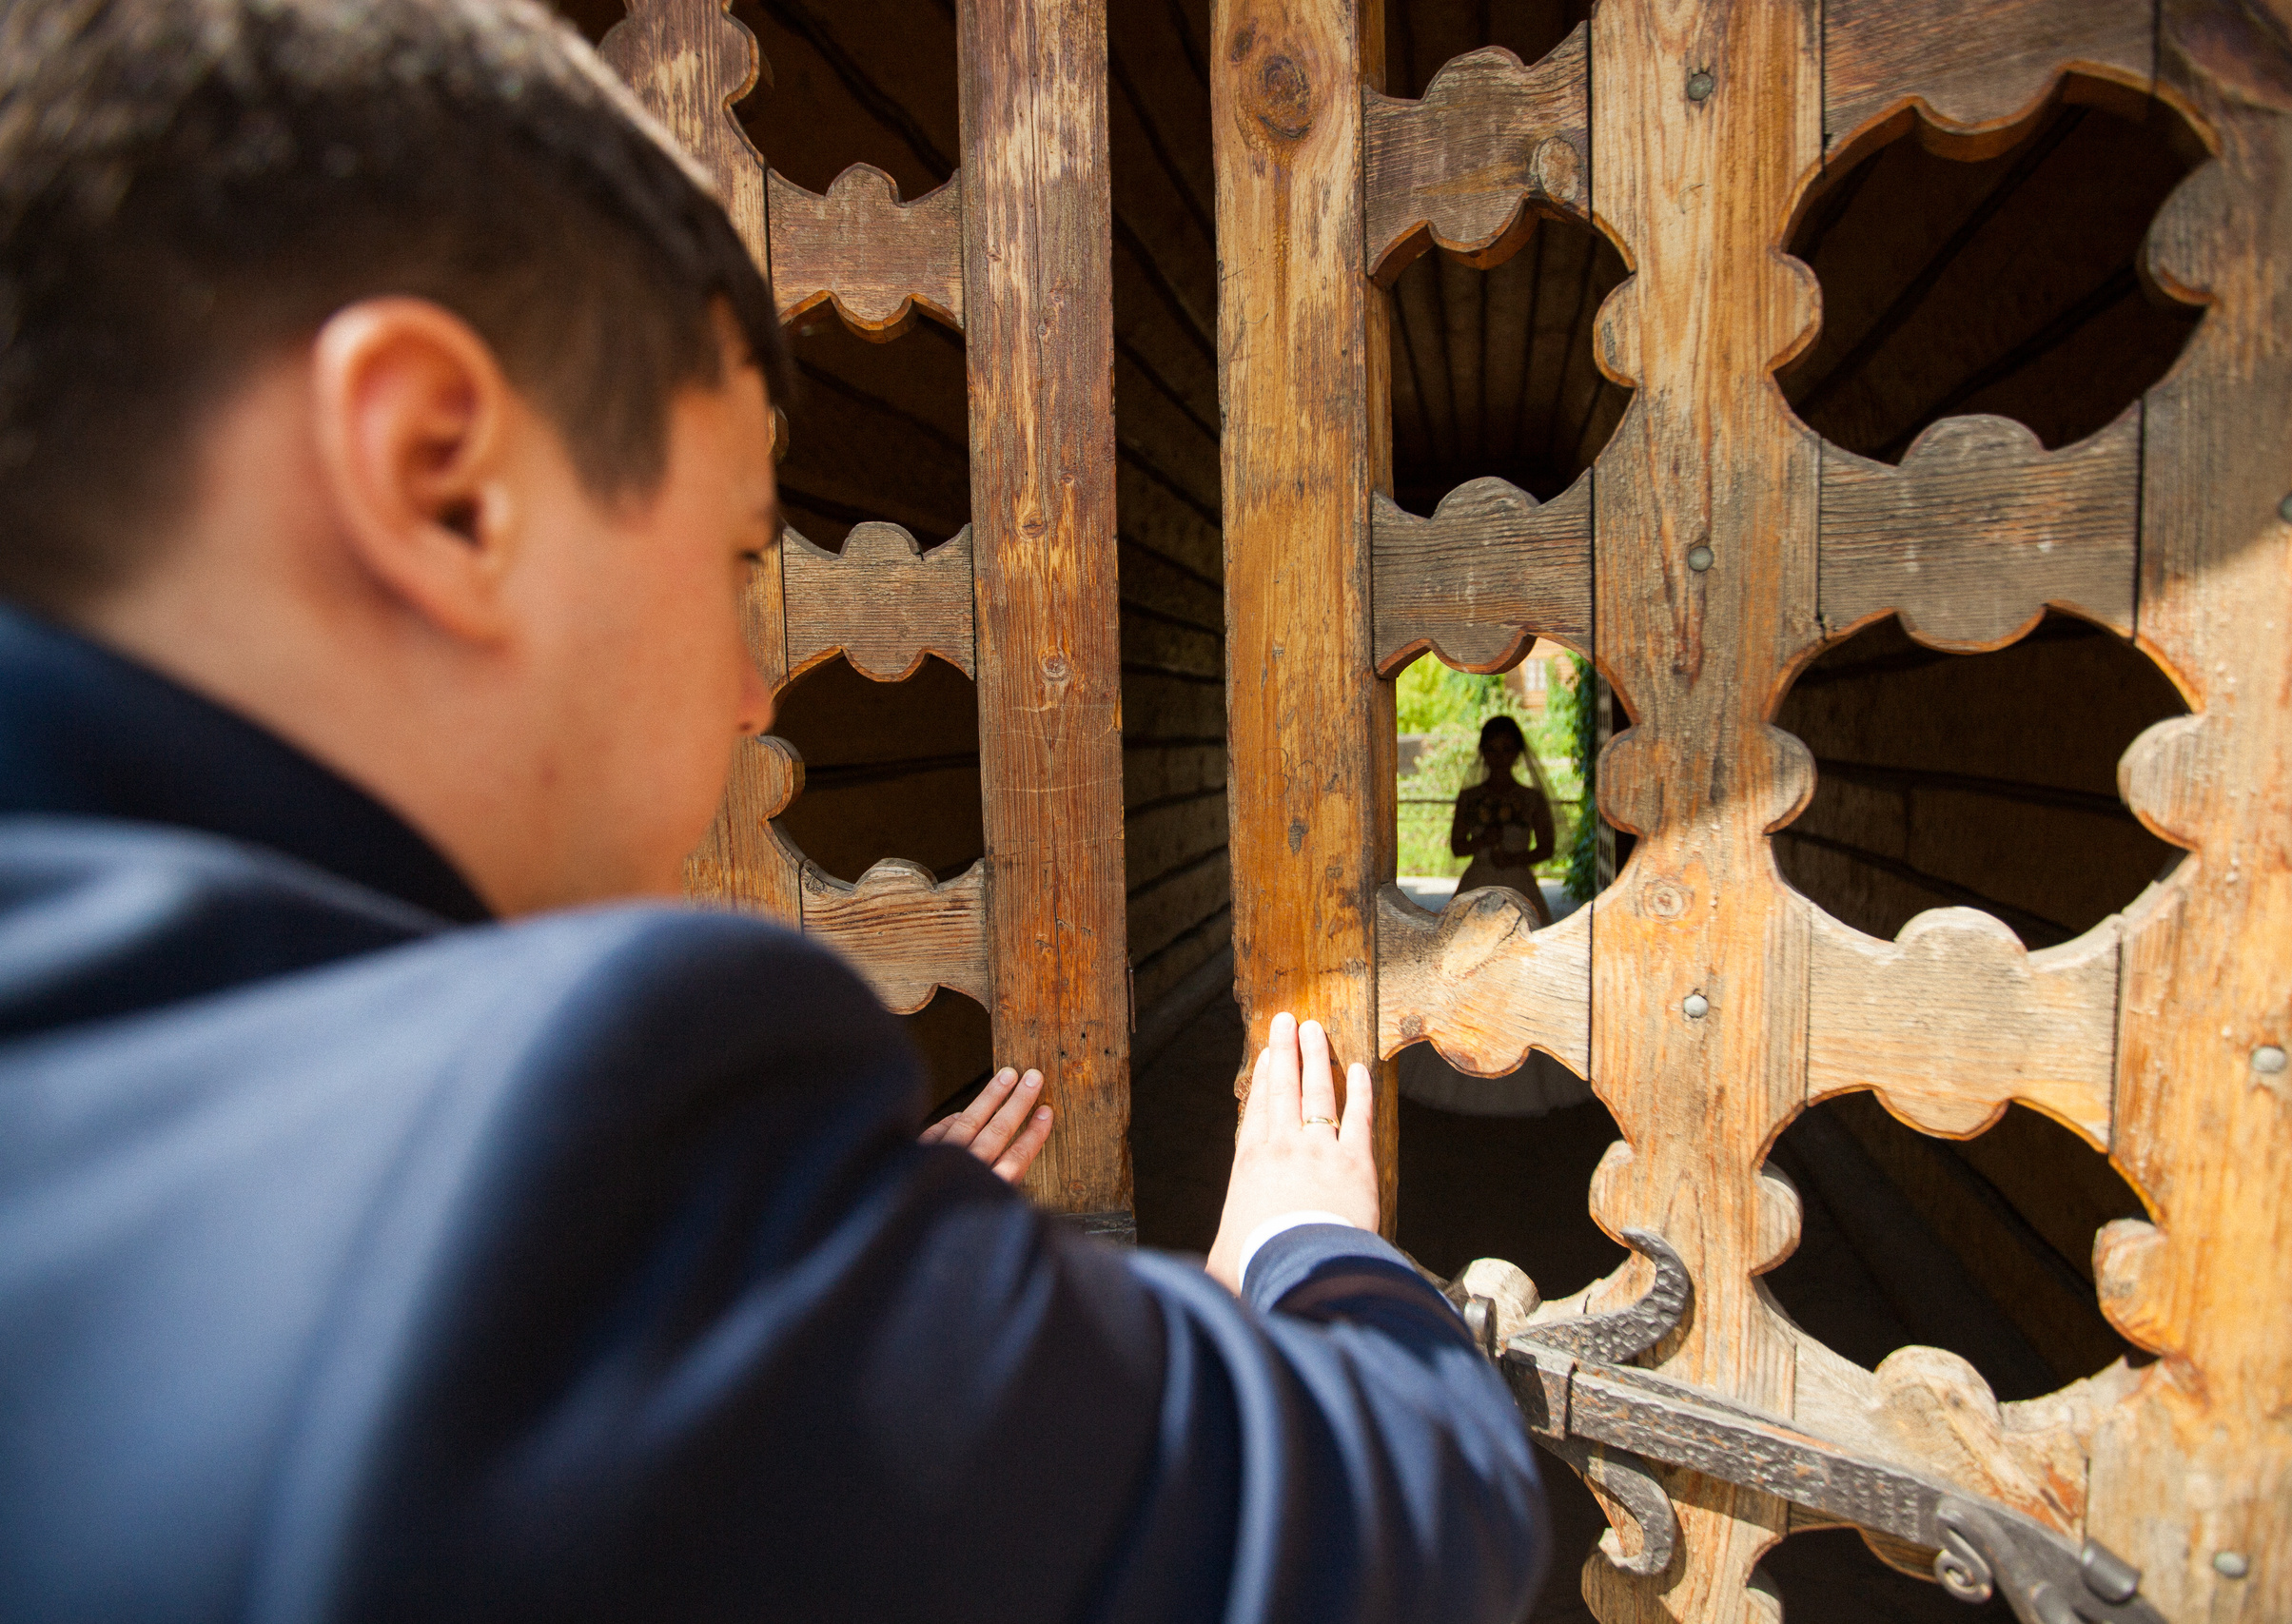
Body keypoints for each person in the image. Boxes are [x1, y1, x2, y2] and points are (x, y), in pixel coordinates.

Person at [0, 3, 1548, 1621]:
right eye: (740, 551)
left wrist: (889, 1263)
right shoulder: (564, 1175)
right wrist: (1308, 1245)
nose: (755, 688)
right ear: (441, 475)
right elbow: (1411, 1510)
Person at [1448, 715, 1560, 929]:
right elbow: (1457, 847)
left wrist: (1514, 859)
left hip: (1519, 884)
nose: (1499, 757)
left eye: (1506, 749)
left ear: (1518, 752)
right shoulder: (1470, 797)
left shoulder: (1531, 798)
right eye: (1492, 749)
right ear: (1482, 751)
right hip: (1477, 882)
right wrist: (1482, 841)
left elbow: (1546, 848)